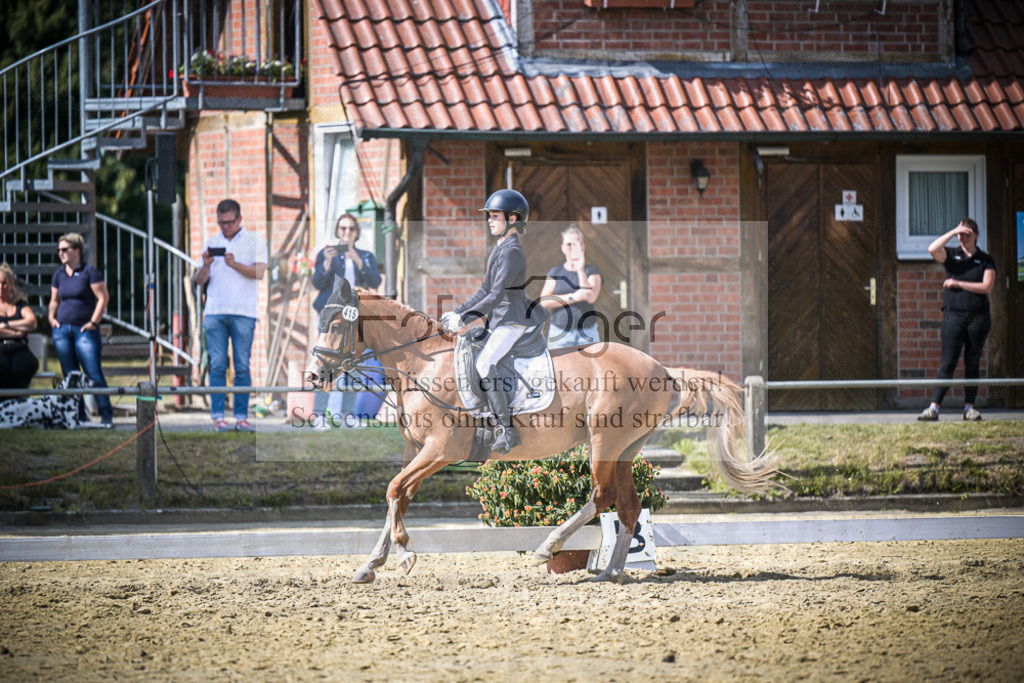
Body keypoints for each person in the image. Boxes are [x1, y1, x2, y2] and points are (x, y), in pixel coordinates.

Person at [441, 189, 545, 454]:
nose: (489, 220)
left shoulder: (512, 252)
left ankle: (506, 430)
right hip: (500, 319)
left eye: (494, 216)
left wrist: (465, 319)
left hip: (512, 319)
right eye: (489, 216)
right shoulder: (499, 248)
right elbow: (484, 291)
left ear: (512, 219)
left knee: (485, 362)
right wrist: (458, 312)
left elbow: (497, 295)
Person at [195, 199, 268, 432]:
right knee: (217, 364)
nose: (224, 227)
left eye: (228, 222)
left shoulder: (254, 240)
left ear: (239, 220)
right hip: (215, 312)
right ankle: (218, 416)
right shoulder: (211, 242)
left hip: (244, 312)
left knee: (242, 367)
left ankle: (241, 416)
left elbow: (259, 272)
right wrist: (206, 265)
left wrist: (234, 264)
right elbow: (199, 280)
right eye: (221, 223)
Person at [918, 218, 995, 422]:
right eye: (961, 234)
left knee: (972, 362)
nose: (963, 238)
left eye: (967, 234)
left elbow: (987, 286)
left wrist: (958, 283)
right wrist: (953, 231)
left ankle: (969, 408)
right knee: (948, 362)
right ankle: (934, 408)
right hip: (953, 315)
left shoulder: (986, 260)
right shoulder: (952, 254)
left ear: (977, 235)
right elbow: (932, 249)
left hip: (978, 316)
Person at [310, 213, 384, 427]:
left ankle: (347, 414)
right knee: (325, 363)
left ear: (356, 233)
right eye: (343, 229)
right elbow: (318, 282)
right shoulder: (327, 254)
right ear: (337, 231)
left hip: (355, 315)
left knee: (353, 365)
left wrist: (358, 260)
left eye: (351, 229)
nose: (347, 233)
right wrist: (326, 262)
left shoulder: (365, 255)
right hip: (331, 315)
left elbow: (375, 281)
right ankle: (320, 415)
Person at [48, 233, 114, 426]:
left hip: (84, 330)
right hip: (62, 330)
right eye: (59, 250)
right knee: (71, 376)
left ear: (77, 251)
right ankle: (78, 416)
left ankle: (106, 415)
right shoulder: (58, 274)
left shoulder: (89, 272)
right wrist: (52, 318)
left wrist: (93, 322)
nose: (61, 253)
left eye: (65, 249)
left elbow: (103, 298)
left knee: (93, 373)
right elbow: (54, 300)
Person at [539, 225, 603, 349]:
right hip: (560, 332)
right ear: (563, 248)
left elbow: (590, 297)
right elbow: (545, 301)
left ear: (583, 247)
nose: (573, 248)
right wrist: (574, 297)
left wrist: (580, 269)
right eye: (569, 244)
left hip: (587, 332)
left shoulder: (591, 271)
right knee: (558, 367)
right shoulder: (555, 272)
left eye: (577, 244)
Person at [0, 263, 39, 389]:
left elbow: (32, 323)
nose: (1, 287)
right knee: (3, 368)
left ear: (11, 285)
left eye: (4, 283)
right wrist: (17, 333)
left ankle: (20, 402)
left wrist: (5, 324)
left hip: (19, 347)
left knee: (25, 366)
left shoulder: (20, 305)